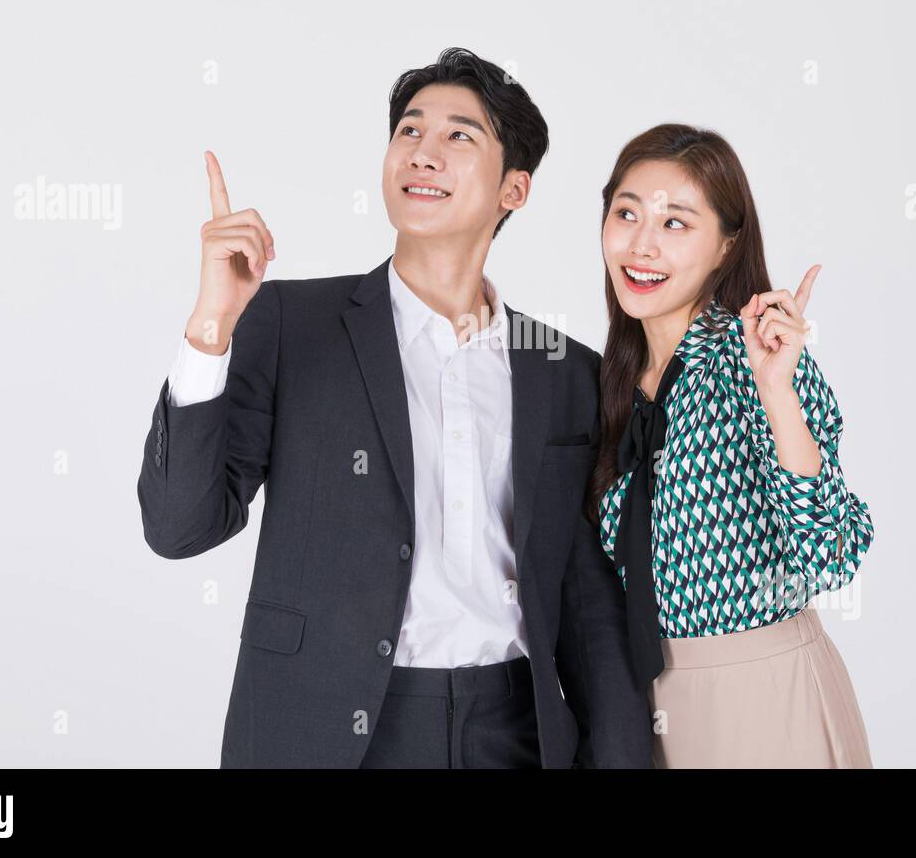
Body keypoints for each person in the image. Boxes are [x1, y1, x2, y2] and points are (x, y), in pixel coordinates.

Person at [136, 48, 653, 768]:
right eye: (409, 132)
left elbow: (590, 607)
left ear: (514, 190)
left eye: (458, 137)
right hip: (324, 730)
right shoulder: (291, 324)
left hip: (512, 731)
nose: (423, 154)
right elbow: (179, 527)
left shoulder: (567, 372)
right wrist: (210, 326)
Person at [590, 123, 876, 767]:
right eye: (626, 213)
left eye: (675, 224)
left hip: (767, 698)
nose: (641, 244)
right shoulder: (609, 383)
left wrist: (777, 391)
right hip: (649, 708)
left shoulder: (759, 359)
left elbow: (829, 555)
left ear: (726, 246)